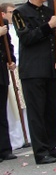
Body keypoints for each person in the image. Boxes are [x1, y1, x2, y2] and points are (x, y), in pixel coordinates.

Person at [12, 0, 56, 164]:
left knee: (51, 109)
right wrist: (48, 26)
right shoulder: (20, 12)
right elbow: (26, 38)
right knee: (37, 112)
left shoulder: (48, 11)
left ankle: (52, 145)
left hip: (51, 68)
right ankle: (41, 151)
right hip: (33, 70)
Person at [0, 16, 18, 161]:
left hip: (1, 72)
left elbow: (8, 44)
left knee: (1, 113)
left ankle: (5, 149)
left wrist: (10, 59)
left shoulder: (2, 21)